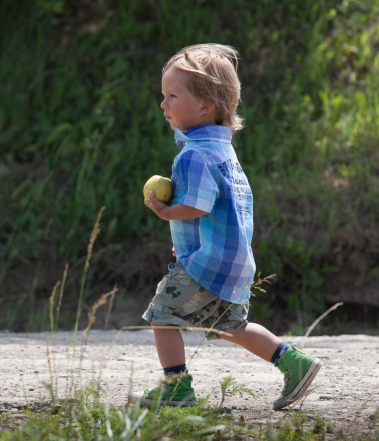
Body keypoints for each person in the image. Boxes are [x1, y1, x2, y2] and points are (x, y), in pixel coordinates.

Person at [128, 44, 322, 410]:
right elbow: (221, 210)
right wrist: (188, 240)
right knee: (230, 326)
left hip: (207, 262)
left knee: (162, 317)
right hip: (231, 259)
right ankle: (295, 363)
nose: (163, 105)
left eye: (172, 96)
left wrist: (165, 211)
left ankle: (176, 388)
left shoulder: (192, 155)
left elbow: (196, 205)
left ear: (205, 106)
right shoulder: (225, 153)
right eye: (163, 95)